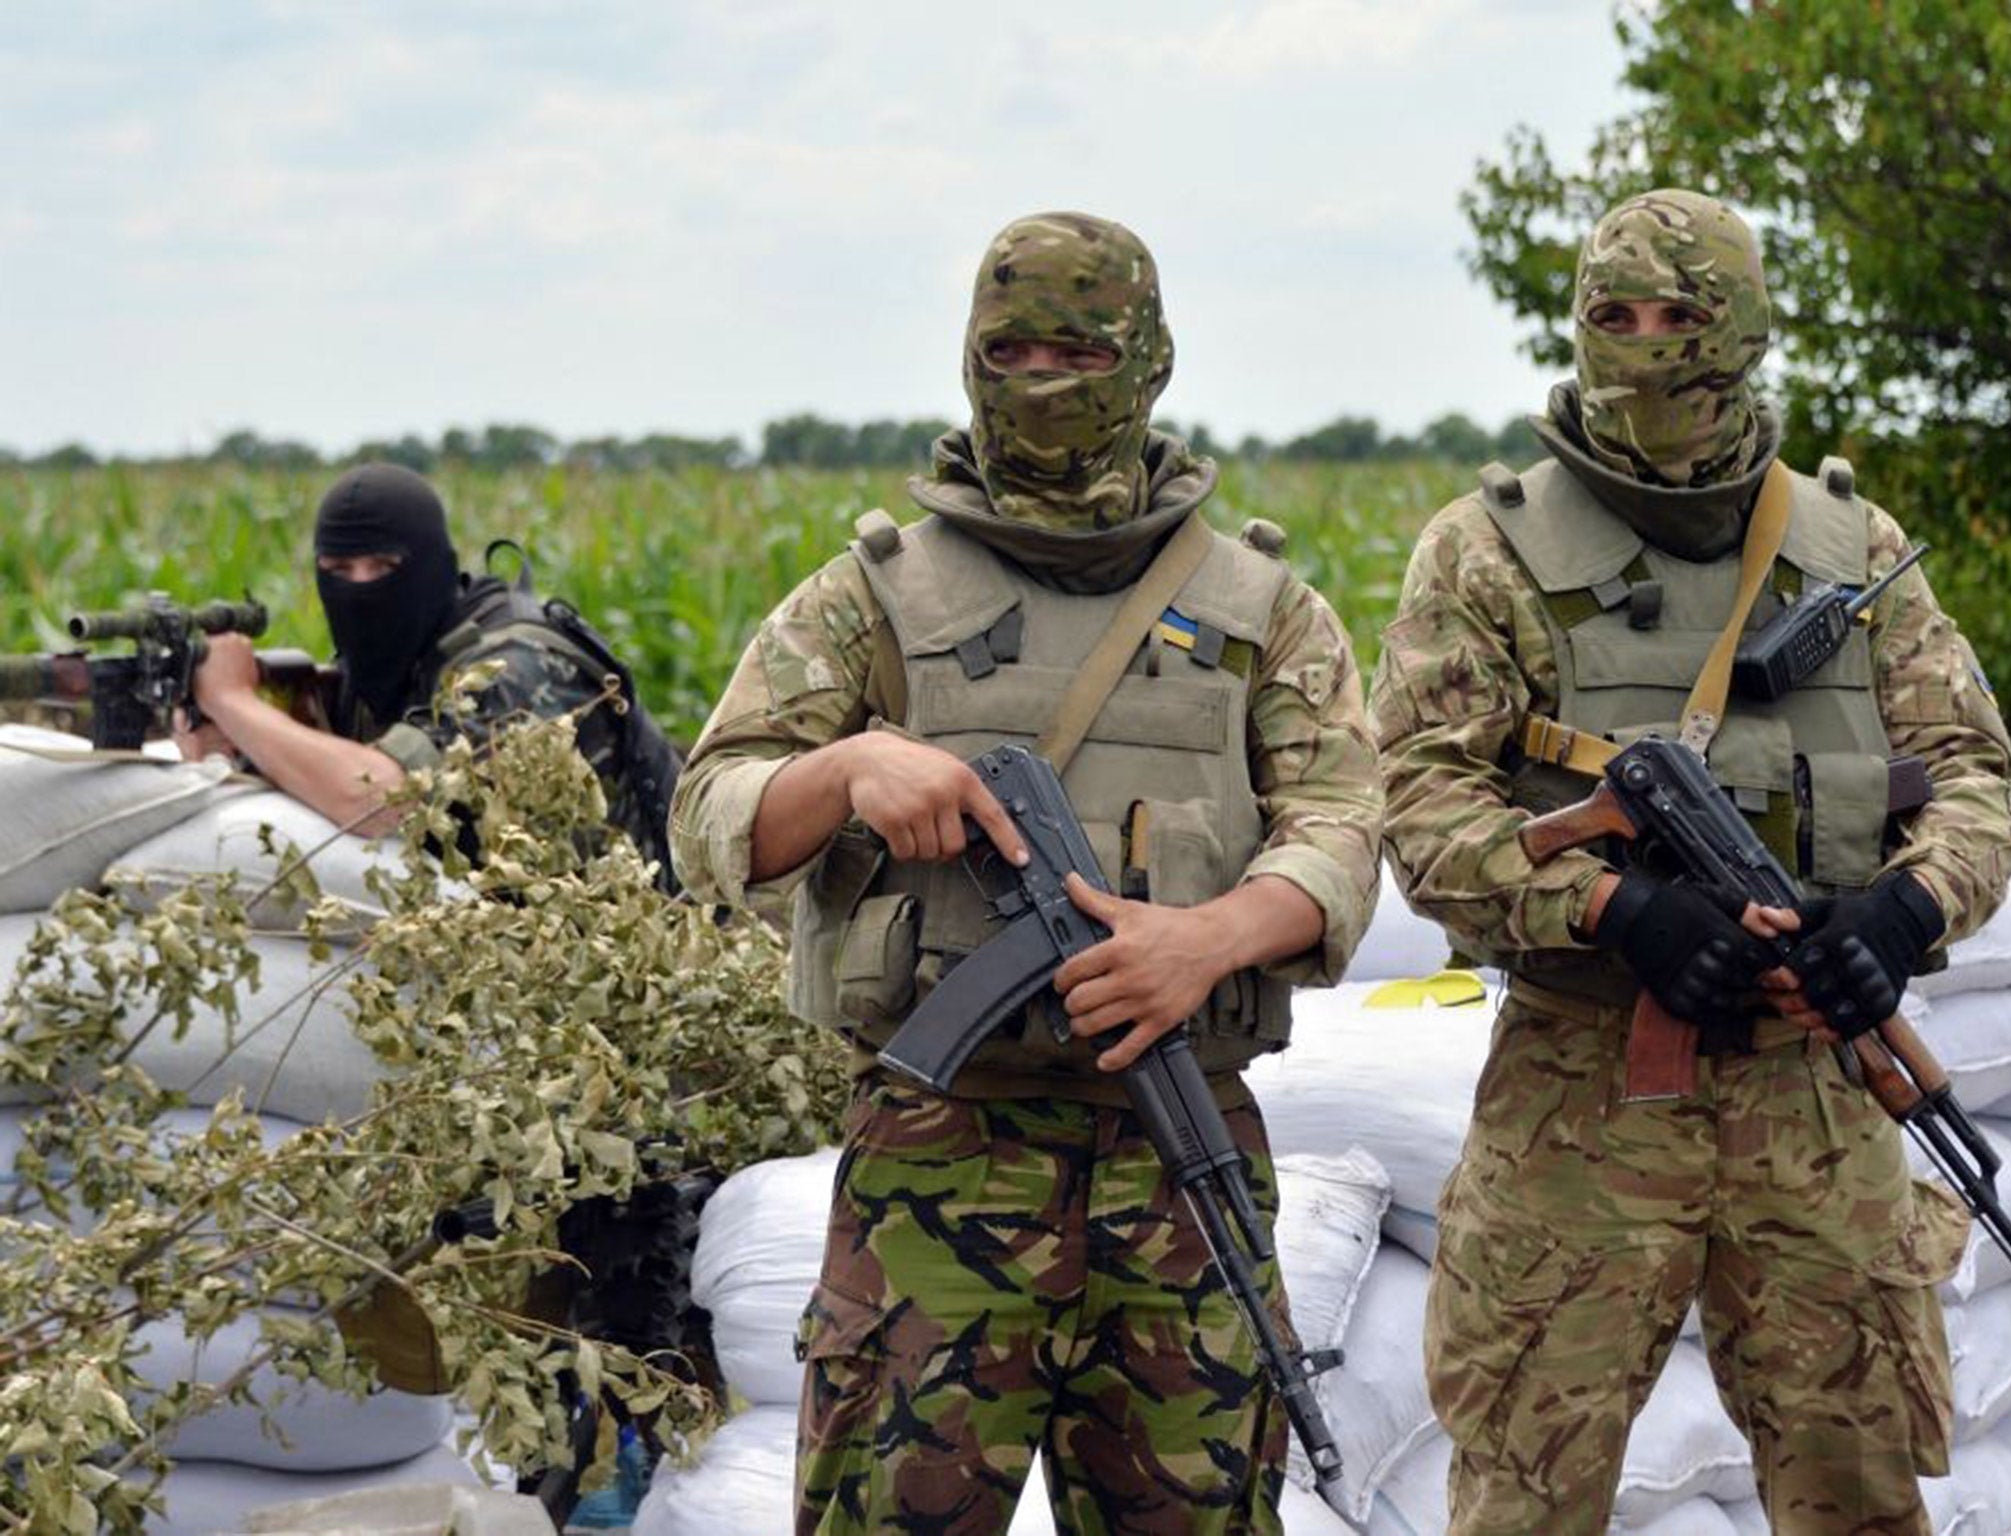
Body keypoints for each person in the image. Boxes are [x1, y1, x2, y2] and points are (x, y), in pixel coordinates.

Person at [671, 211, 1382, 1535]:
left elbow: (1341, 826)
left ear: (1149, 362)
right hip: (940, 1164)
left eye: (1079, 352)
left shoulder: (1259, 609)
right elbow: (711, 812)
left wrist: (1208, 939)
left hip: (1181, 1155)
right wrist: (851, 769)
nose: (1044, 381)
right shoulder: (872, 597)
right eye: (1013, 353)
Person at [1367, 188, 2011, 1535]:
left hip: (1815, 1090)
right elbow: (1418, 808)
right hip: (1578, 1099)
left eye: (1679, 316)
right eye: (1613, 316)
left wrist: (1900, 914)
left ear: (1744, 332)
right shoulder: (1484, 553)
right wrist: (1614, 909)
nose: (1646, 346)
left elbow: (1971, 772)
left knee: (1860, 1493)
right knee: (1523, 1498)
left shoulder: (1852, 552)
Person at [177, 461, 681, 885]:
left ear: (436, 564)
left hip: (638, 938)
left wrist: (232, 700)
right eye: (338, 571)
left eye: (383, 567)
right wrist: (232, 744)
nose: (361, 590)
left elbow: (378, 800)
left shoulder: (513, 668)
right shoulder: (387, 669)